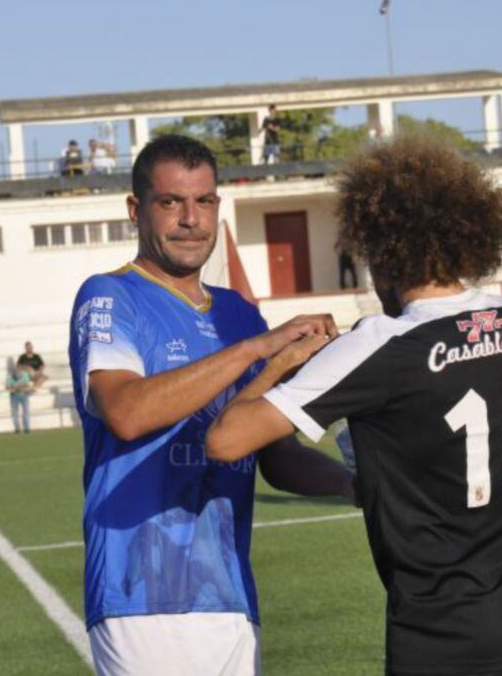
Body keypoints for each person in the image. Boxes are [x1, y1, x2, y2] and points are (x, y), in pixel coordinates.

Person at [208, 134, 502, 675]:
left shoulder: (379, 345)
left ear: (382, 249)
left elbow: (225, 440)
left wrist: (280, 363)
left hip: (442, 640)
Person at [68, 134, 353, 674]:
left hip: (230, 593)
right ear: (135, 209)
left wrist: (350, 483)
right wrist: (257, 350)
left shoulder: (239, 313)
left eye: (204, 201)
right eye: (170, 202)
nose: (191, 220)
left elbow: (277, 457)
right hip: (140, 592)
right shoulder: (110, 295)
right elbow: (125, 412)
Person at [5, 364, 33, 434]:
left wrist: (16, 387)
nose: (17, 370)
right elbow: (7, 387)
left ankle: (27, 428)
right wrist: (18, 387)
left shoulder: (25, 374)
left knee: (26, 412)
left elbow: (27, 385)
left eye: (18, 369)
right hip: (14, 396)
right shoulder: (10, 375)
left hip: (24, 395)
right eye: (16, 369)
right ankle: (17, 429)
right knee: (15, 413)